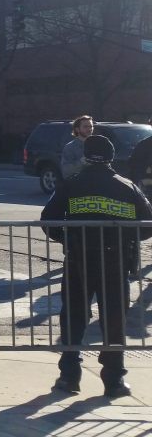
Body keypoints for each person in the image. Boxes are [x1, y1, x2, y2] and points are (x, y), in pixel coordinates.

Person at [42, 134, 152, 398]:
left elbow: (49, 221)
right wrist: (125, 237)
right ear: (112, 157)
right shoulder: (127, 187)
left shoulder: (72, 184)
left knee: (74, 317)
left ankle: (69, 376)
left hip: (79, 260)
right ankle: (114, 380)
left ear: (85, 156)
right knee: (114, 321)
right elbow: (147, 224)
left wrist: (69, 238)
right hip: (116, 262)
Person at [61, 115, 94, 180]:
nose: (89, 129)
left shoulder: (97, 144)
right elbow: (66, 171)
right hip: (79, 185)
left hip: (96, 184)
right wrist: (82, 162)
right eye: (85, 127)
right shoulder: (70, 147)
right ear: (77, 129)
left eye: (91, 126)